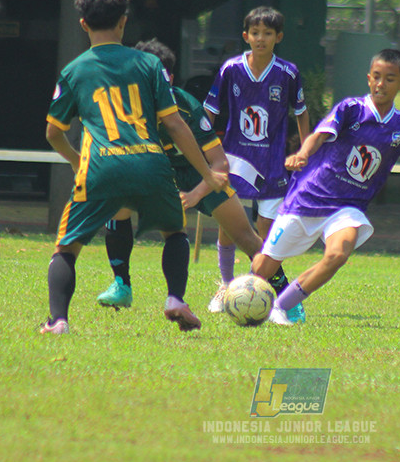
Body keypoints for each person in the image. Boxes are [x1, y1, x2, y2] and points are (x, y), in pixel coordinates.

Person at [41, 0, 227, 335]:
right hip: (151, 164)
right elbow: (174, 123)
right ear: (124, 22)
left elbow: (52, 132)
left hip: (101, 167)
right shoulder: (148, 63)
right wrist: (206, 172)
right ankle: (174, 298)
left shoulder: (74, 71)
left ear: (83, 24)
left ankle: (58, 320)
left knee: (67, 247)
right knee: (174, 232)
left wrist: (78, 159)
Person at [250, 48, 400, 325]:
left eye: (390, 78)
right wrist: (303, 154)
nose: (381, 84)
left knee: (337, 254)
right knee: (262, 268)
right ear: (368, 79)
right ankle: (238, 296)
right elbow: (319, 136)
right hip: (307, 198)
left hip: (348, 208)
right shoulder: (351, 109)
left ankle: (283, 305)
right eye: (376, 77)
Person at [95, 38, 290, 310]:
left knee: (245, 236)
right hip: (158, 174)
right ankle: (121, 285)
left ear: (170, 79)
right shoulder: (125, 110)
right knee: (119, 201)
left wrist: (195, 194)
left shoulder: (187, 108)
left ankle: (289, 299)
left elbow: (219, 164)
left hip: (201, 175)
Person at [201, 6, 310, 315]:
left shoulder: (287, 73)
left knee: (266, 233)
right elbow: (208, 112)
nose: (261, 39)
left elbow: (301, 114)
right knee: (230, 226)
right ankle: (225, 285)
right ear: (246, 36)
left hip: (273, 163)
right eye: (256, 33)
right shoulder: (230, 69)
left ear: (279, 38)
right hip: (235, 161)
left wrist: (305, 152)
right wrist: (201, 146)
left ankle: (263, 291)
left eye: (268, 34)